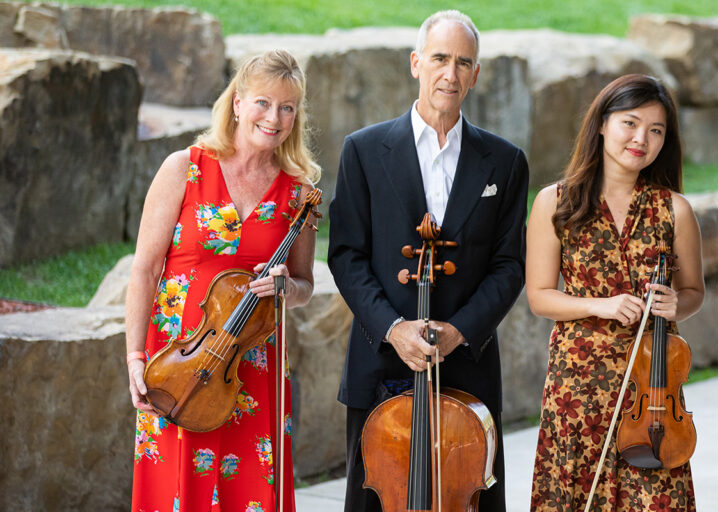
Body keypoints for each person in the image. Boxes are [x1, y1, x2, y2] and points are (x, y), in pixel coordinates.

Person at [327, 10, 528, 512]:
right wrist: (393, 328)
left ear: (476, 74)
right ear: (416, 63)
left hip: (467, 368)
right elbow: (346, 255)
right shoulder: (364, 150)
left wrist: (459, 330)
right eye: (440, 58)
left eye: (464, 63)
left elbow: (509, 266)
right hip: (381, 363)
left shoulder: (504, 162)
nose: (451, 74)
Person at [125, 50, 320, 511]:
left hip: (250, 368)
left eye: (288, 107)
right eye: (263, 102)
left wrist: (285, 288)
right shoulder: (184, 168)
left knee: (249, 492)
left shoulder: (299, 193)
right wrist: (135, 358)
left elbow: (305, 285)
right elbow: (145, 269)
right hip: (180, 363)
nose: (274, 118)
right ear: (236, 102)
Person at [525, 74, 704, 511]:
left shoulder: (675, 209)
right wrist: (598, 305)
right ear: (602, 124)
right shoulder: (556, 202)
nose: (641, 138)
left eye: (656, 130)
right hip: (578, 385)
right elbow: (540, 296)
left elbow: (694, 290)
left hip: (655, 392)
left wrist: (678, 303)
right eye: (630, 122)